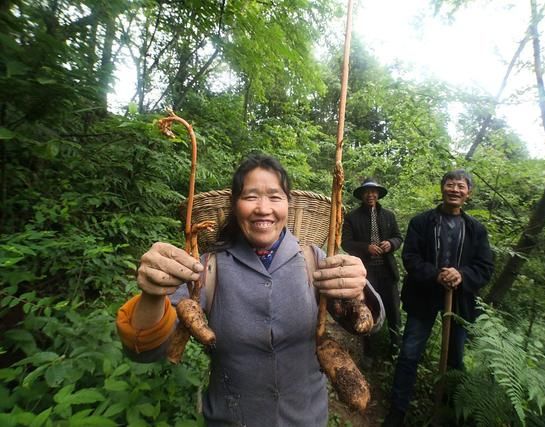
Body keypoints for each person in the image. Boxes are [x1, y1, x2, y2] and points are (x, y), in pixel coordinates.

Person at [116, 153, 384, 426]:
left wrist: (358, 291)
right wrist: (152, 295)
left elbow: (368, 324)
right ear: (234, 205)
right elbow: (144, 352)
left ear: (288, 204)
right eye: (251, 196)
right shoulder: (208, 268)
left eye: (275, 196)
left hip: (307, 419)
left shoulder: (314, 259)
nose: (263, 208)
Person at [383, 170, 494, 426]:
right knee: (410, 354)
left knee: (456, 360)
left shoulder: (476, 230)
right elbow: (410, 257)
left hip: (459, 304)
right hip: (423, 299)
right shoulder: (422, 222)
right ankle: (397, 411)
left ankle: (450, 411)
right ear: (442, 188)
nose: (455, 189)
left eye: (461, 186)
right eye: (450, 184)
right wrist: (436, 275)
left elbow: (485, 267)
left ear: (469, 193)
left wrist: (461, 275)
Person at [342, 178, 403, 364]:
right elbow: (345, 243)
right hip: (366, 272)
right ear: (362, 195)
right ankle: (369, 352)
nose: (371, 195)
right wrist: (365, 248)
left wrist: (391, 244)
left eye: (374, 191)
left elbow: (398, 237)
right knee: (369, 310)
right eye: (367, 192)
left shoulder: (388, 216)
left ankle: (395, 349)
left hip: (387, 270)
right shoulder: (353, 217)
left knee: (393, 310)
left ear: (378, 194)